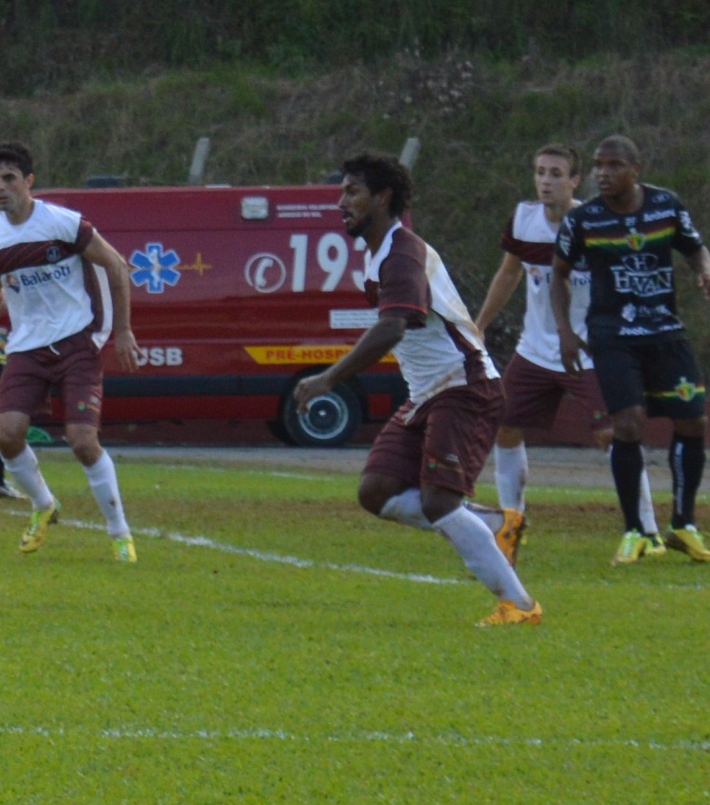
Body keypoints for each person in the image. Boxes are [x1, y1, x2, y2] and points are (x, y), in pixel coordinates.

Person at [291, 154, 540, 625]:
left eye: (352, 192)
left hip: (463, 387)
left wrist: (329, 377)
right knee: (377, 491)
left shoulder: (402, 252)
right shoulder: (383, 251)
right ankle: (492, 525)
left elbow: (392, 329)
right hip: (429, 391)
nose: (340, 202)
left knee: (439, 502)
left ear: (382, 198)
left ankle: (520, 606)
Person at [0, 140, 143, 561]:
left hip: (75, 342)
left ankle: (119, 532)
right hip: (27, 348)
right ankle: (43, 505)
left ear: (29, 182)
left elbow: (116, 265)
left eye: (9, 179)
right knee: (7, 432)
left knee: (82, 440)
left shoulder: (65, 224)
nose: (0, 187)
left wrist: (122, 330)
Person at [552, 133, 710, 564]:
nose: (603, 173)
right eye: (599, 166)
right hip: (613, 335)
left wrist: (703, 269)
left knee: (694, 419)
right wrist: (566, 331)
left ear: (635, 170)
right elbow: (558, 274)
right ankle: (635, 531)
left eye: (613, 166)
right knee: (628, 424)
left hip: (666, 332)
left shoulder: (666, 206)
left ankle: (683, 524)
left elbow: (695, 248)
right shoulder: (584, 220)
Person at [475, 142, 595, 564]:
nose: (546, 181)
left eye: (556, 174)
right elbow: (509, 272)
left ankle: (643, 530)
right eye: (541, 172)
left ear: (575, 181)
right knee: (506, 426)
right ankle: (512, 522)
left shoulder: (592, 222)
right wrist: (481, 324)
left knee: (615, 434)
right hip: (535, 349)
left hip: (586, 349)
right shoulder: (525, 218)